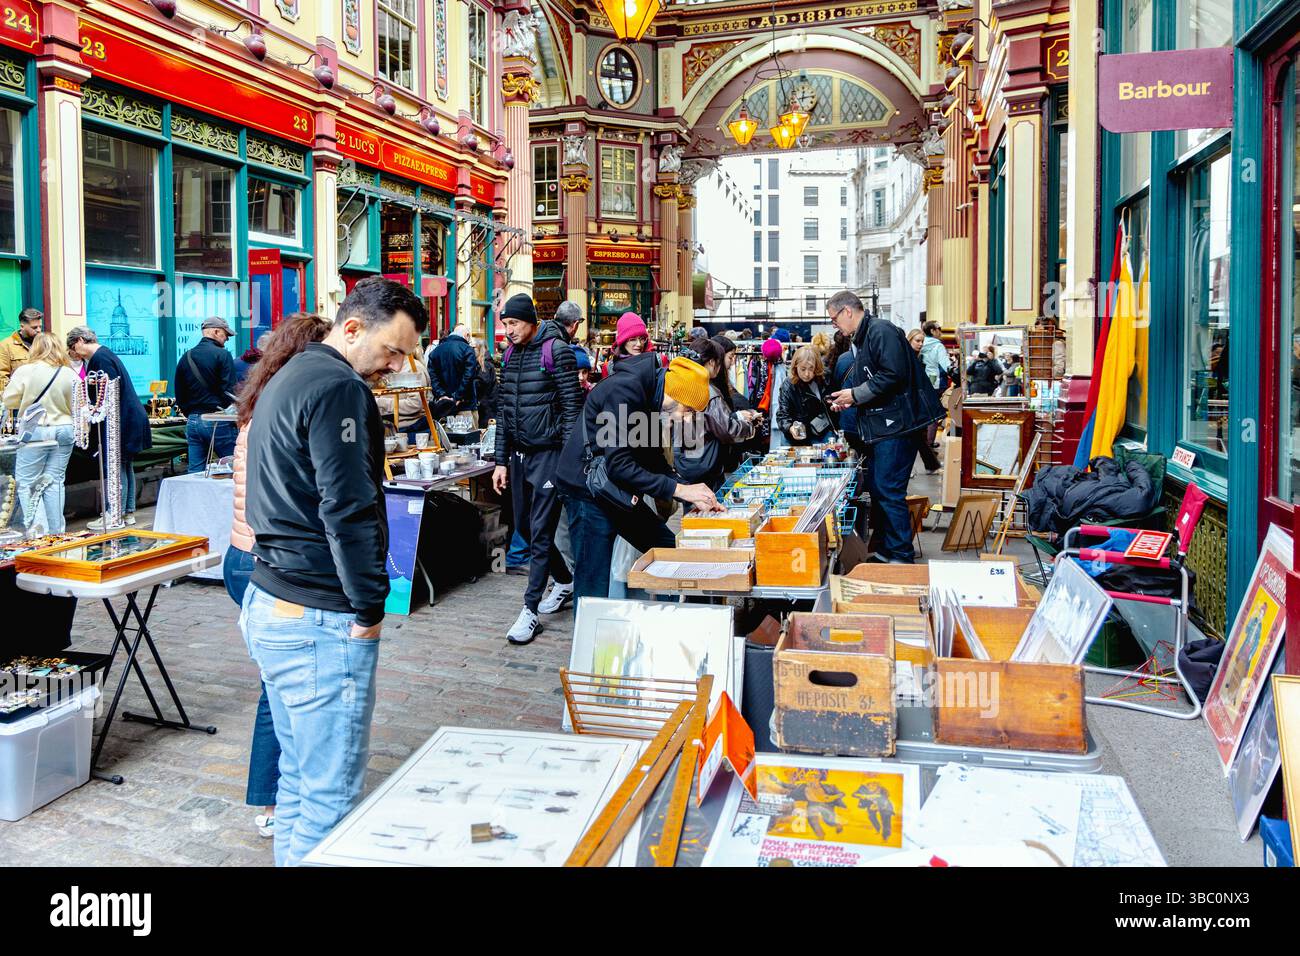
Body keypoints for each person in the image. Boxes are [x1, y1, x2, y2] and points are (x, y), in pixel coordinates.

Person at [240, 276, 427, 867]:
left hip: (275, 596)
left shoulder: (289, 375)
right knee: (330, 798)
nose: (395, 367)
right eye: (391, 351)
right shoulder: (339, 389)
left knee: (300, 779)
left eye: (405, 356)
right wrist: (370, 607)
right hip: (317, 612)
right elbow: (347, 506)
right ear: (352, 329)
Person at [225, 312, 331, 841]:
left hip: (243, 554)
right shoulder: (286, 405)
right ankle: (272, 798)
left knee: (279, 683)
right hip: (260, 561)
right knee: (280, 689)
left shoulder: (263, 399)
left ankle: (281, 790)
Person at [556, 352, 722, 601]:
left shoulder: (652, 398)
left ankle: (685, 616)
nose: (686, 419)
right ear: (674, 394)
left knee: (668, 548)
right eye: (687, 410)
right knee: (593, 582)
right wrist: (679, 491)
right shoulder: (625, 391)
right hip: (587, 489)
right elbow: (620, 465)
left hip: (615, 488)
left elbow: (653, 460)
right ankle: (590, 636)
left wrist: (690, 490)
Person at [827, 291, 943, 564]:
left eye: (834, 319)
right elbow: (879, 378)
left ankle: (901, 553)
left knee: (888, 488)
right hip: (889, 425)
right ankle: (890, 549)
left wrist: (854, 395)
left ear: (847, 311)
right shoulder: (870, 334)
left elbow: (893, 374)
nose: (835, 325)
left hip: (897, 427)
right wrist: (850, 398)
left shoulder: (880, 331)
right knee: (882, 486)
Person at [492, 293, 580, 645]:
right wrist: (500, 460)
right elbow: (503, 412)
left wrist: (568, 459)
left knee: (541, 531)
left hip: (549, 455)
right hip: (519, 456)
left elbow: (573, 407)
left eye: (513, 323)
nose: (508, 330)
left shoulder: (555, 350)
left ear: (530, 320)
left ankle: (529, 612)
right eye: (506, 324)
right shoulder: (510, 355)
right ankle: (565, 580)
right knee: (525, 528)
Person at [66, 326, 152, 528]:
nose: (73, 355)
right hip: (128, 417)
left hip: (119, 419)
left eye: (72, 349)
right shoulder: (104, 355)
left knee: (115, 465)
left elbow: (106, 396)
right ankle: (127, 511)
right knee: (124, 464)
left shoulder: (100, 360)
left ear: (79, 341)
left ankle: (115, 513)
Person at [3, 332, 78, 534]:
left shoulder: (25, 371)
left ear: (36, 348)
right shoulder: (69, 373)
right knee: (55, 482)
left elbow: (9, 401)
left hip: (35, 431)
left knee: (27, 482)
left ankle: (38, 531)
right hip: (64, 428)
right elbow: (78, 405)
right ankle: (56, 532)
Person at [677, 338, 760, 490]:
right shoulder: (708, 391)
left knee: (693, 509)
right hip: (706, 463)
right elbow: (727, 429)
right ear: (711, 362)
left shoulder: (681, 384)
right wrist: (750, 426)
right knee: (710, 508)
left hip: (686, 462)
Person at [175, 316, 238, 474]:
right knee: (235, 468)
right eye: (226, 335)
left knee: (195, 473)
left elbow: (180, 392)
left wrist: (190, 413)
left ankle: (193, 499)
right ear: (216, 332)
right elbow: (230, 391)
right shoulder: (222, 355)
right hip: (217, 419)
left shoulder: (186, 356)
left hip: (193, 420)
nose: (227, 339)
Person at [776, 345, 835, 446]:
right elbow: (782, 415)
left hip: (823, 432)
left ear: (817, 367)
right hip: (797, 438)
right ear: (795, 367)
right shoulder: (788, 385)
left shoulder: (826, 378)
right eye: (803, 369)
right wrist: (791, 428)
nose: (807, 374)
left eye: (811, 369)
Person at [376, 345, 432, 443]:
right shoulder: (389, 368)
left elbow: (415, 404)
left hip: (410, 430)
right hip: (392, 428)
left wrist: (380, 402)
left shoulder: (414, 368)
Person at [906, 330, 941, 474]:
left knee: (918, 436)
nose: (920, 344)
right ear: (910, 340)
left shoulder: (917, 357)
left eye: (922, 341)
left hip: (917, 403)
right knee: (917, 436)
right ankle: (930, 465)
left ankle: (930, 465)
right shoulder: (907, 357)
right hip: (911, 403)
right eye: (917, 341)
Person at [427, 323, 478, 418]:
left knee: (446, 432)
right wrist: (457, 397)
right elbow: (469, 376)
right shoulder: (467, 349)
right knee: (469, 432)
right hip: (464, 406)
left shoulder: (436, 351)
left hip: (444, 407)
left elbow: (432, 377)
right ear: (466, 335)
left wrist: (442, 395)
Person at [0, 307, 42, 391]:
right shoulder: (6, 345)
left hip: (41, 395)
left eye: (40, 326)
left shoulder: (44, 343)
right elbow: (2, 376)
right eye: (34, 327)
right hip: (19, 397)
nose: (39, 330)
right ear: (22, 326)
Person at [472, 340, 499, 425]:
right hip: (486, 405)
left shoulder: (484, 364)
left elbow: (483, 382)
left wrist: (470, 381)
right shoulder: (482, 363)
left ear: (479, 348)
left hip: (486, 406)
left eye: (474, 347)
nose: (471, 349)